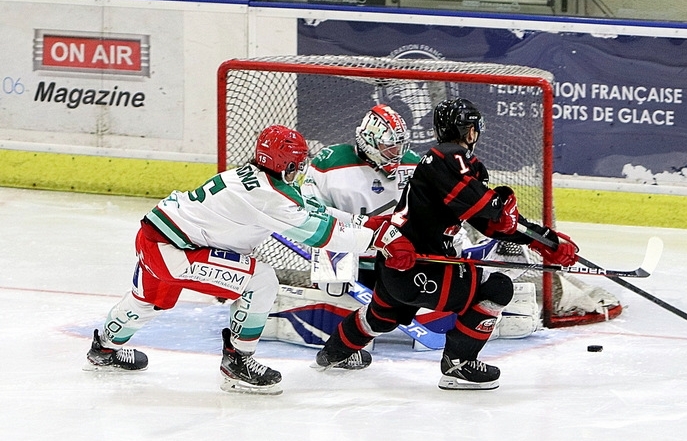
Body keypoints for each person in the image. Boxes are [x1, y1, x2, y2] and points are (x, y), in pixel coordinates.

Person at [84, 125, 391, 395]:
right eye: (297, 165)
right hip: (174, 253)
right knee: (261, 280)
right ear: (285, 165)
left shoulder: (251, 178)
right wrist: (377, 240)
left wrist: (363, 224)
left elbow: (313, 209)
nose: (299, 170)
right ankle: (237, 362)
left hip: (155, 237)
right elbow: (323, 235)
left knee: (147, 301)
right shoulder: (269, 197)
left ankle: (103, 350)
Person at [314, 98, 580, 390]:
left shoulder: (445, 162)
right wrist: (522, 223)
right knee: (497, 288)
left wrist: (544, 241)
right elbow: (488, 208)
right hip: (422, 265)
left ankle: (332, 354)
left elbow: (490, 223)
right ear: (469, 130)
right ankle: (459, 365)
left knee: (381, 317)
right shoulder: (448, 158)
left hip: (397, 265)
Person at [301, 103, 418, 288]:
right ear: (369, 142)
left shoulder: (413, 165)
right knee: (332, 292)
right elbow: (311, 215)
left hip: (397, 259)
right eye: (389, 146)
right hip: (344, 257)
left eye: (399, 146)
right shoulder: (329, 163)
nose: (396, 153)